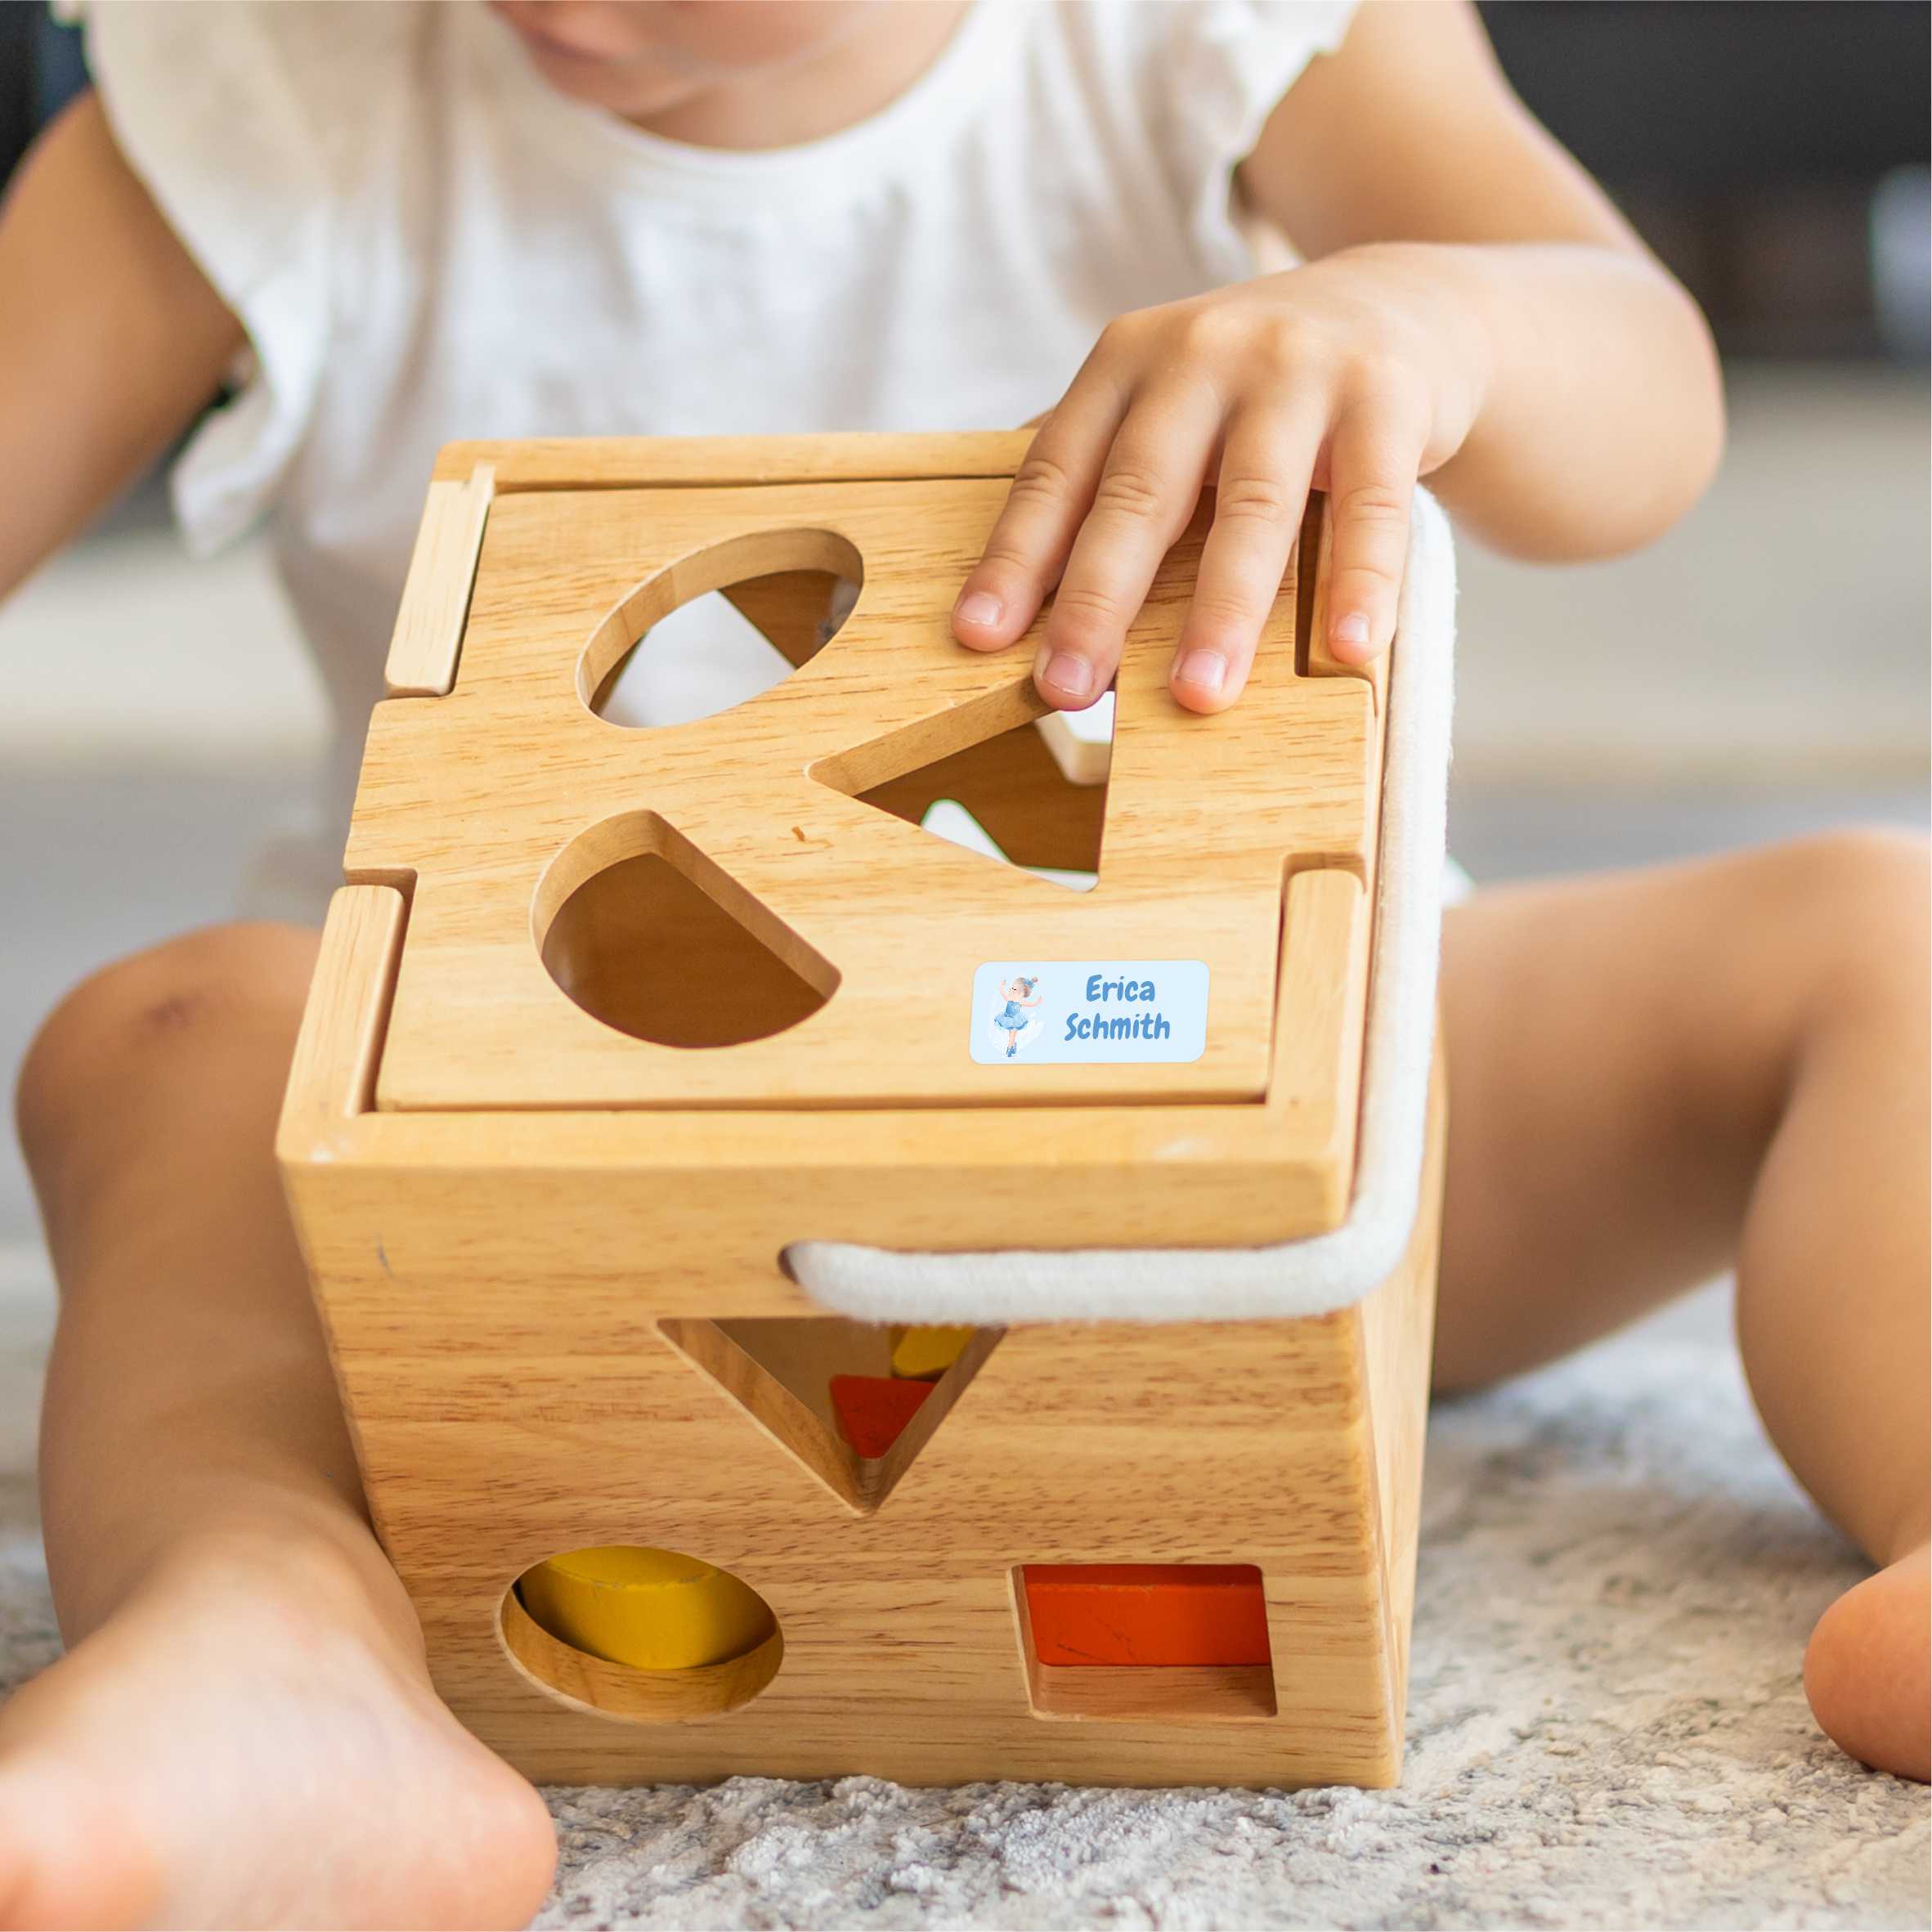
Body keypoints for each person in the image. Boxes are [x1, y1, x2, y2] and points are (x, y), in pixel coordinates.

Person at [2, 3, 1925, 1925]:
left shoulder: (1211, 33)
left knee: (1872, 922)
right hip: (515, 1190)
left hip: (1253, 1117)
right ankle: (269, 1631)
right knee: (167, 1034)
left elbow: (1648, 405)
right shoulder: (263, 81)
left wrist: (1439, 324)